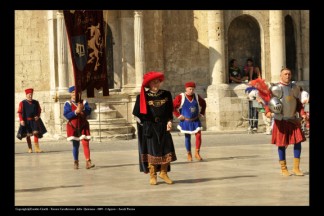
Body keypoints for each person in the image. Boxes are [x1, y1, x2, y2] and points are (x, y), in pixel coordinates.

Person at [132, 71, 177, 185]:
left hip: (164, 126)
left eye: (158, 82)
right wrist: (144, 124)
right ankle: (153, 175)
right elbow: (136, 114)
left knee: (167, 150)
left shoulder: (166, 94)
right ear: (149, 84)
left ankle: (163, 173)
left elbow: (169, 111)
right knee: (152, 151)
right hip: (150, 127)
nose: (156, 84)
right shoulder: (142, 96)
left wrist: (169, 121)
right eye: (153, 82)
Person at [265, 68, 306, 176]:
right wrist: (268, 112)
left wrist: (302, 113)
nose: (287, 76)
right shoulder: (275, 88)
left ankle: (296, 168)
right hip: (281, 120)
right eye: (285, 74)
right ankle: (284, 168)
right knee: (281, 144)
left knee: (298, 142)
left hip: (293, 119)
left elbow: (298, 103)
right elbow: (269, 102)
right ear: (281, 76)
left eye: (289, 74)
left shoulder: (294, 87)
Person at [173, 81, 206, 161]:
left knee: (198, 136)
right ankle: (189, 153)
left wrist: (201, 113)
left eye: (193, 89)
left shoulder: (197, 96)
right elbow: (173, 107)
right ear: (186, 89)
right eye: (190, 89)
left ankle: (197, 153)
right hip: (186, 121)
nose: (191, 90)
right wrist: (179, 115)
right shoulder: (181, 97)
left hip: (195, 121)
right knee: (187, 137)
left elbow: (203, 103)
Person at [63, 86, 95, 170]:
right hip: (73, 126)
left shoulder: (84, 102)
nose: (74, 94)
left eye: (76, 92)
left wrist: (82, 110)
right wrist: (75, 112)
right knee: (75, 145)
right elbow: (66, 115)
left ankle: (88, 161)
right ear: (71, 94)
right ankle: (76, 161)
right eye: (73, 92)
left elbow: (88, 111)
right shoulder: (68, 103)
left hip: (83, 125)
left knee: (85, 142)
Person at [17, 88, 47, 153]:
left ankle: (37, 148)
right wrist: (21, 120)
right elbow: (19, 112)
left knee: (36, 133)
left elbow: (39, 110)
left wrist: (38, 116)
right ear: (26, 95)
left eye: (31, 94)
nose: (30, 96)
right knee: (28, 135)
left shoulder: (36, 102)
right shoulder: (22, 103)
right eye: (29, 94)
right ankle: (30, 148)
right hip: (26, 121)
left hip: (34, 121)